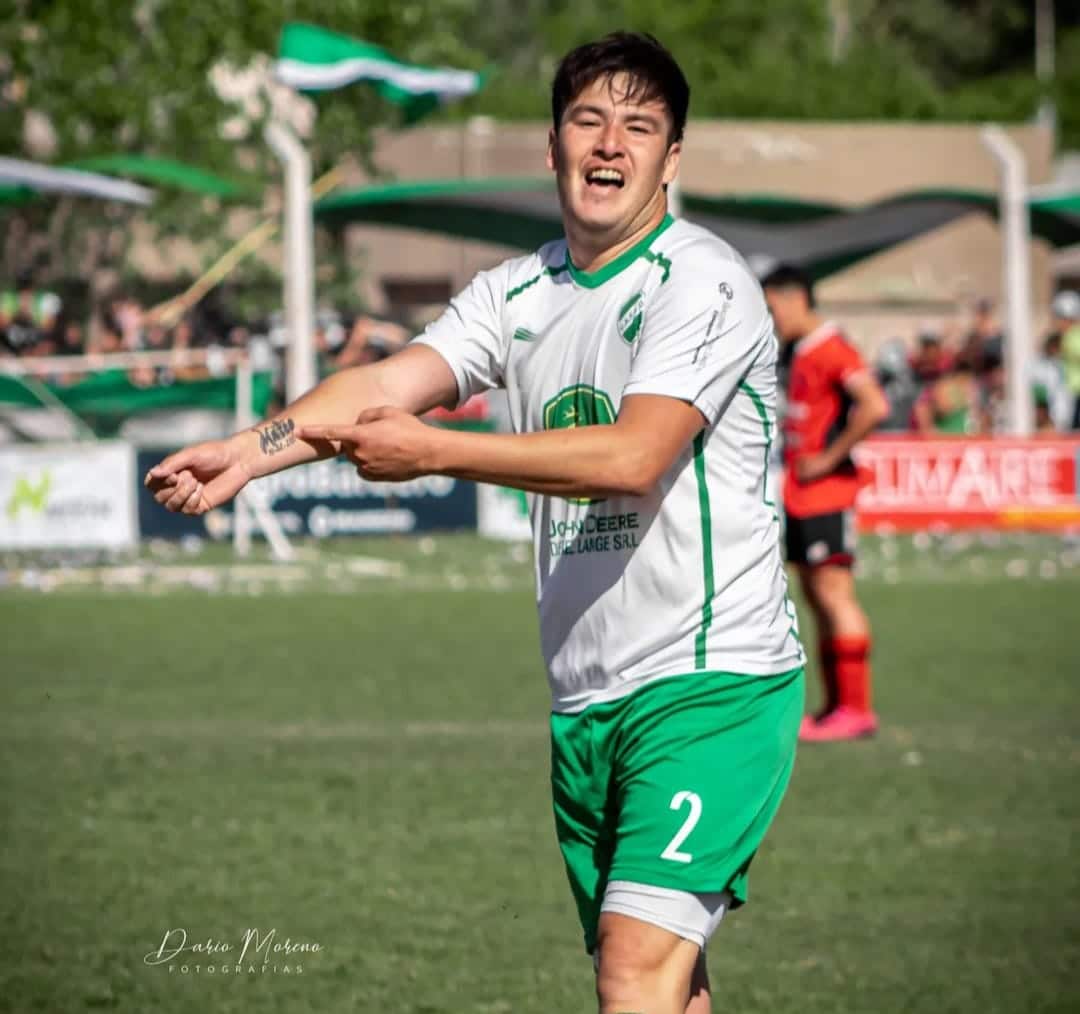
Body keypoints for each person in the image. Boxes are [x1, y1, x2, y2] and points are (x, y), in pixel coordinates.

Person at [146, 33, 805, 1014]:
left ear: (672, 158)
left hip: (711, 683)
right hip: (587, 702)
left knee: (634, 967)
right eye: (588, 120)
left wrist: (438, 451)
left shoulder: (700, 280)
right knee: (665, 976)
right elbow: (384, 385)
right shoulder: (518, 291)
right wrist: (252, 449)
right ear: (552, 146)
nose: (609, 143)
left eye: (638, 127)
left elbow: (634, 455)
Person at [760, 265, 888, 742]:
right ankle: (834, 707)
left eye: (772, 307)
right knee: (816, 598)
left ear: (796, 298)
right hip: (800, 493)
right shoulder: (797, 351)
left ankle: (856, 710)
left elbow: (874, 405)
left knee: (835, 595)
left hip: (828, 493)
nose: (771, 318)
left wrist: (830, 458)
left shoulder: (832, 347)